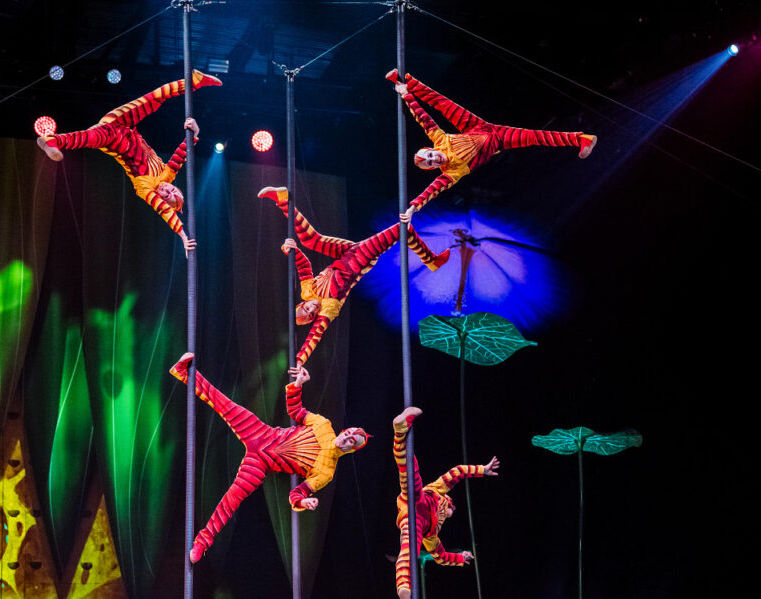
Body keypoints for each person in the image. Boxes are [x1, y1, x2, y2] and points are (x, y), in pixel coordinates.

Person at [170, 353, 370, 563]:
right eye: (348, 433)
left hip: (260, 465)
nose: (346, 438)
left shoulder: (326, 471)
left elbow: (296, 494)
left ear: (352, 449)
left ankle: (202, 542)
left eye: (351, 441)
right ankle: (184, 373)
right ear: (344, 431)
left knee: (231, 500)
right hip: (260, 433)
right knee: (224, 404)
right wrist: (298, 384)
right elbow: (295, 411)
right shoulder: (323, 425)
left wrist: (303, 501)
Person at [258, 186, 450, 365]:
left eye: (307, 309)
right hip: (360, 259)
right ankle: (431, 260)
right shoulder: (329, 308)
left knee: (310, 240)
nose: (312, 309)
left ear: (302, 304)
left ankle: (283, 200)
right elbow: (314, 336)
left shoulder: (307, 292)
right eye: (311, 315)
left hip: (346, 253)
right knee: (403, 229)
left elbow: (304, 266)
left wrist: (291, 250)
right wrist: (300, 360)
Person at [37, 70, 223, 252]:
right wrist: (195, 133)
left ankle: (52, 141)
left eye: (166, 196)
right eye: (172, 190)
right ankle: (194, 80)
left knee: (90, 137)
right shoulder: (168, 174)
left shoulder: (145, 188)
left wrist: (183, 236)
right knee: (152, 99)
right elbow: (182, 153)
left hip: (113, 141)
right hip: (123, 123)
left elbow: (164, 211)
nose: (166, 190)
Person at [387, 70, 596, 224]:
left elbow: (423, 118)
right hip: (499, 139)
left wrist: (406, 93)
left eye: (431, 155)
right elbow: (432, 190)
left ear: (431, 149)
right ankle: (581, 139)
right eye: (431, 163)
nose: (435, 159)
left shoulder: (440, 140)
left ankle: (406, 80)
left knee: (442, 104)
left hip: (474, 127)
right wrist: (413, 208)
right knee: (536, 137)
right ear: (433, 168)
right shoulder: (452, 172)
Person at [391, 406, 500, 599]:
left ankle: (405, 591)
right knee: (410, 470)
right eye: (451, 506)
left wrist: (460, 558)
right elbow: (457, 472)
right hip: (417, 500)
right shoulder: (438, 490)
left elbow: (441, 557)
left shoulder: (433, 534)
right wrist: (482, 470)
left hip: (415, 524)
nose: (451, 510)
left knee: (409, 551)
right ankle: (399, 431)